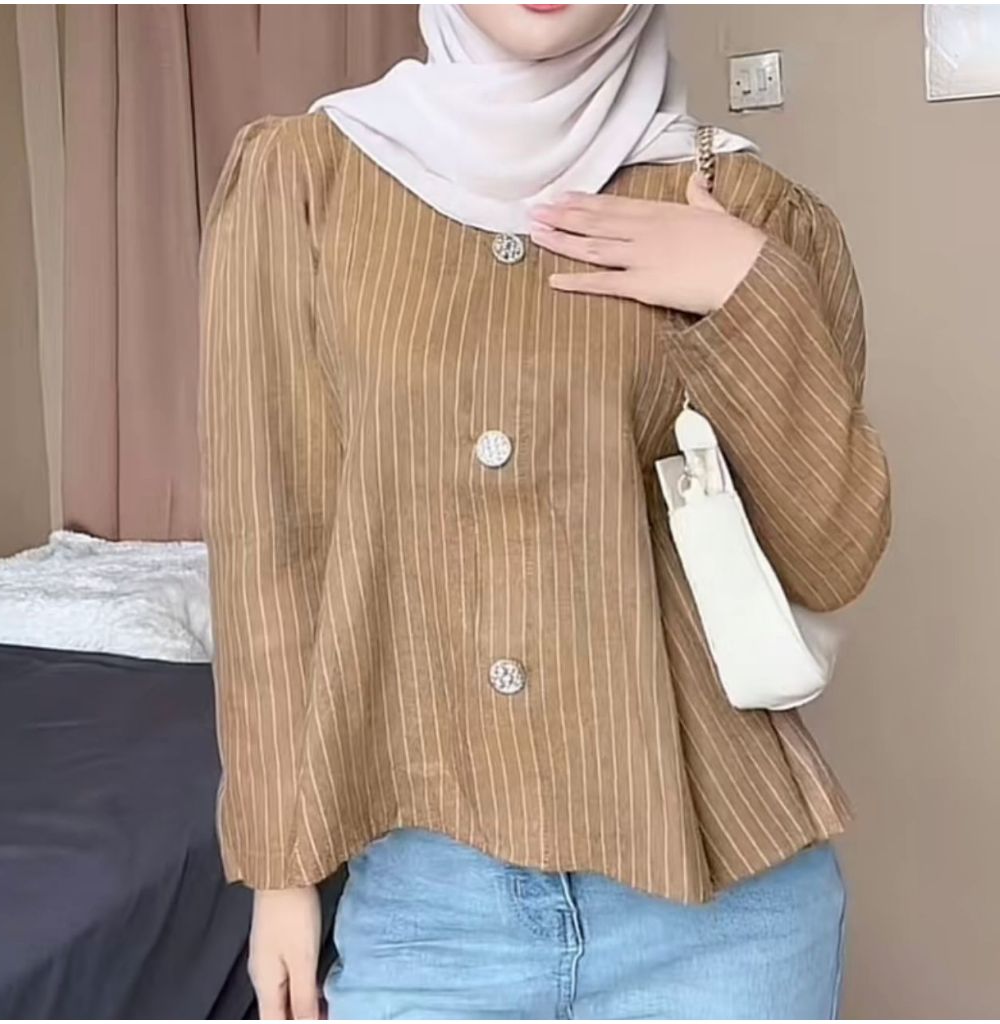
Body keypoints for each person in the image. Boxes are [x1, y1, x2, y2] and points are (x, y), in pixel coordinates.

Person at [200, 4, 891, 1019]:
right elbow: (272, 546)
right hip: (428, 916)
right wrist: (280, 871)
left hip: (722, 913)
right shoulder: (305, 181)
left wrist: (748, 289)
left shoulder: (749, 206)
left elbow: (830, 556)